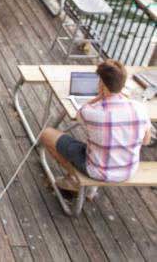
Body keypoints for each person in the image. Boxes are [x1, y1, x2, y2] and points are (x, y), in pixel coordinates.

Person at [41, 60, 152, 200]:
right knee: (102, 142)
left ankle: (75, 180)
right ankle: (81, 182)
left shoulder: (91, 111)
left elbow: (78, 115)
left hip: (97, 171)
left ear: (101, 85)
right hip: (128, 170)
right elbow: (146, 141)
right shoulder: (140, 109)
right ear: (123, 84)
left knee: (47, 134)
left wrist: (99, 97)